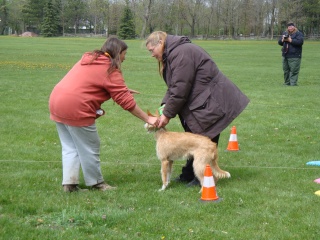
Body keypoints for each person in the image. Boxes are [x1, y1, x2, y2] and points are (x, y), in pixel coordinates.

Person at [49, 36, 158, 192]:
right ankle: (97, 183)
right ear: (118, 52)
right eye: (124, 54)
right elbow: (126, 102)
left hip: (57, 102)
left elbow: (91, 82)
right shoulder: (110, 68)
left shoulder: (91, 59)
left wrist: (123, 90)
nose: (125, 58)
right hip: (76, 107)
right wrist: (148, 118)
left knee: (70, 147)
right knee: (90, 146)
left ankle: (70, 185)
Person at [146, 31, 250, 186]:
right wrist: (164, 105)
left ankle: (203, 177)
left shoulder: (181, 54)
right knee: (193, 139)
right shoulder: (175, 53)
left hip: (212, 100)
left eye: (151, 50)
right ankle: (189, 174)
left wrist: (167, 115)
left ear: (160, 42)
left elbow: (181, 88)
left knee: (204, 136)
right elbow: (174, 86)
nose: (151, 55)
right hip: (203, 100)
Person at [278, 22, 304, 86]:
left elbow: (300, 42)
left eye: (292, 27)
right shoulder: (285, 33)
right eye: (289, 27)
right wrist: (282, 40)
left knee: (294, 70)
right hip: (285, 54)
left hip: (295, 55)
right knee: (286, 70)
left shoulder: (298, 34)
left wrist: (291, 40)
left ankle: (293, 84)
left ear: (294, 27)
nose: (290, 28)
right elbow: (279, 42)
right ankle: (286, 83)